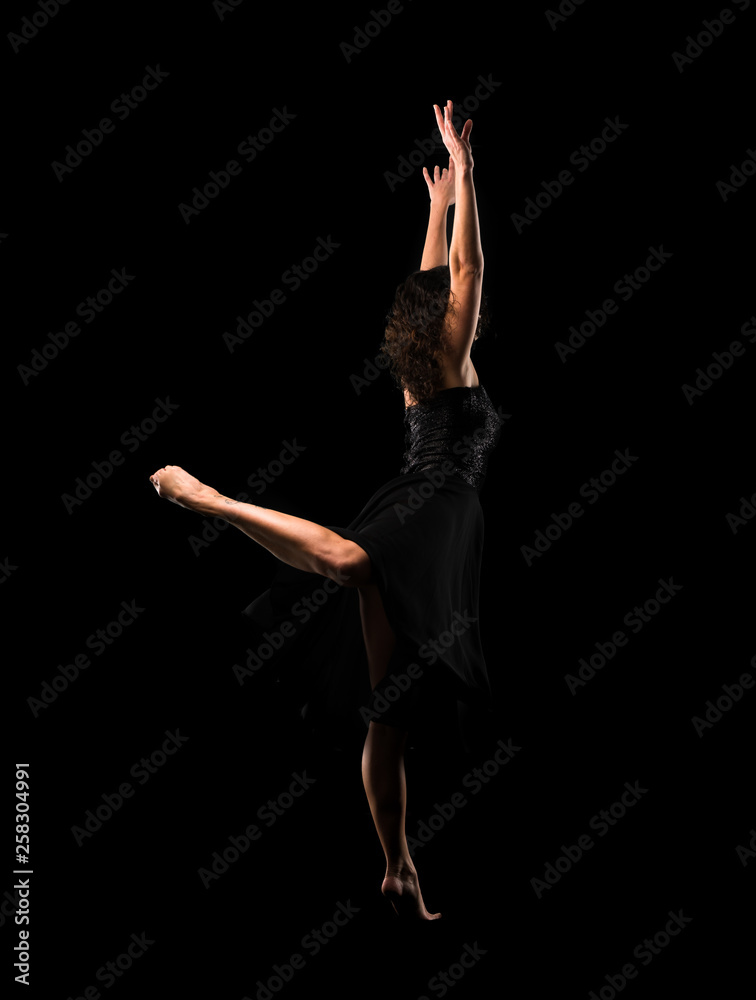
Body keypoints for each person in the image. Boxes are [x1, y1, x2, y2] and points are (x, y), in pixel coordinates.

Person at [149, 101, 502, 921]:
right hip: (434, 512)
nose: (457, 295)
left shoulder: (424, 363)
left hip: (438, 516)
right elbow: (467, 274)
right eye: (449, 297)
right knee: (347, 564)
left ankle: (398, 864)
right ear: (443, 317)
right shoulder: (446, 356)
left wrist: (435, 205)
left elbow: (435, 283)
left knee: (392, 712)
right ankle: (213, 499)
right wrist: (469, 181)